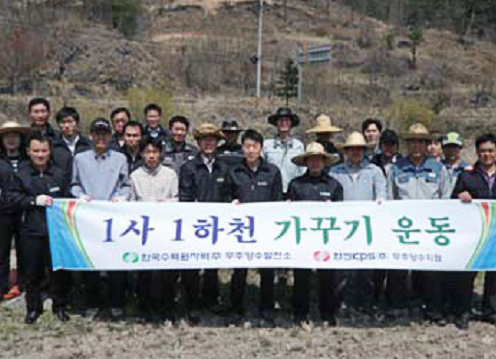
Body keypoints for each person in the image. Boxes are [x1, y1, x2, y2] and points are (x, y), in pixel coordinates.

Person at [388, 123, 451, 323]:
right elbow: (391, 197)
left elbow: (446, 197)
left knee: (431, 269)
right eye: (412, 142)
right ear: (407, 145)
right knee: (399, 269)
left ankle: (432, 309)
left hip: (430, 227)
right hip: (404, 227)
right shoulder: (396, 168)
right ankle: (398, 307)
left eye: (421, 142)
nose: (416, 146)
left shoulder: (439, 169)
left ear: (427, 145)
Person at [71, 118, 131, 320]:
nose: (101, 137)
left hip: (113, 217)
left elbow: (126, 185)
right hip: (88, 218)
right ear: (90, 136)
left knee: (116, 262)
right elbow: (74, 184)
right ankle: (92, 303)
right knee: (90, 263)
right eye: (97, 133)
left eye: (105, 133)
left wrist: (121, 197)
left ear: (110, 136)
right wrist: (81, 196)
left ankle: (116, 303)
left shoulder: (120, 158)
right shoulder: (80, 158)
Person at [8, 133, 70, 324]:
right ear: (28, 152)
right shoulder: (21, 174)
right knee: (32, 273)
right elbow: (12, 198)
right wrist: (33, 201)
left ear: (50, 151)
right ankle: (33, 308)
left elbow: (68, 197)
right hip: (30, 230)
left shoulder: (59, 173)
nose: (40, 155)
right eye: (36, 151)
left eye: (44, 150)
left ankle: (59, 306)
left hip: (56, 232)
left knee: (58, 271)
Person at [228, 129, 283, 322]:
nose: (250, 150)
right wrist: (231, 204)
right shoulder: (234, 172)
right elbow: (226, 198)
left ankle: (266, 307)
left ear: (261, 149)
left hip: (266, 228)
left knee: (267, 270)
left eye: (254, 146)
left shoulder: (273, 172)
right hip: (241, 229)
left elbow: (278, 200)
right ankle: (236, 307)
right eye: (247, 146)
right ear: (242, 148)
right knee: (239, 269)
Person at [179, 123, 230, 323]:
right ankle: (192, 303)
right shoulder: (189, 167)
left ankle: (210, 300)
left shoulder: (224, 168)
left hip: (217, 225)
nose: (208, 143)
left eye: (212, 139)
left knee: (212, 265)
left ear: (217, 142)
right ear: (198, 142)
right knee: (192, 265)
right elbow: (185, 195)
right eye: (204, 139)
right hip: (194, 223)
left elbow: (227, 194)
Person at [330, 132, 387, 312]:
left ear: (365, 151)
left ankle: (366, 304)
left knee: (366, 269)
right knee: (341, 270)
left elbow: (382, 195)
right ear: (346, 151)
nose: (356, 152)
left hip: (368, 226)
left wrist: (379, 205)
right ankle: (340, 303)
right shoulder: (335, 171)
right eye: (352, 149)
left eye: (359, 149)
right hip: (342, 227)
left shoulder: (375, 171)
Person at [288, 142, 343, 325]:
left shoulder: (334, 185)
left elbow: (341, 213)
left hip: (326, 237)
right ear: (306, 162)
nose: (315, 162)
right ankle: (300, 314)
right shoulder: (296, 185)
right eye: (311, 159)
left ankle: (328, 314)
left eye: (318, 159)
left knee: (327, 277)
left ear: (324, 161)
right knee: (301, 276)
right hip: (302, 237)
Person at [131, 137, 178, 322]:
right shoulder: (135, 175)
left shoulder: (170, 174)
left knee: (166, 271)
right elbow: (131, 202)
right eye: (147, 152)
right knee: (145, 272)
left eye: (154, 152)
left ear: (160, 154)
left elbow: (177, 198)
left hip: (166, 229)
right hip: (143, 231)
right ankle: (144, 308)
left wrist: (166, 203)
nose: (151, 156)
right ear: (142, 154)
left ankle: (167, 308)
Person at [452, 133, 496, 328]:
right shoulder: (467, 174)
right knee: (467, 273)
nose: (487, 154)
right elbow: (453, 200)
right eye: (483, 151)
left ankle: (490, 311)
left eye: (490, 151)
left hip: (495, 233)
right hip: (473, 234)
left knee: (494, 274)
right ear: (477, 153)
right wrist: (460, 196)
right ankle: (462, 312)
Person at [0, 122, 32, 301]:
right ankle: (2, 287)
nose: (11, 140)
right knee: (2, 251)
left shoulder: (27, 161)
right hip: (2, 212)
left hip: (24, 211)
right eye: (7, 136)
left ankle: (22, 285)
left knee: (25, 250)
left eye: (15, 136)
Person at [263, 107, 305, 195]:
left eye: (286, 120)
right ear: (276, 123)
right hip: (272, 191)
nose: (283, 123)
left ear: (291, 124)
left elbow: (302, 171)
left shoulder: (299, 146)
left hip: (293, 191)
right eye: (280, 120)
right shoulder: (266, 146)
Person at [52, 107, 91, 181]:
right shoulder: (54, 147)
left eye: (70, 122)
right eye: (63, 122)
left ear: (77, 123)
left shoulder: (88, 145)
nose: (66, 126)